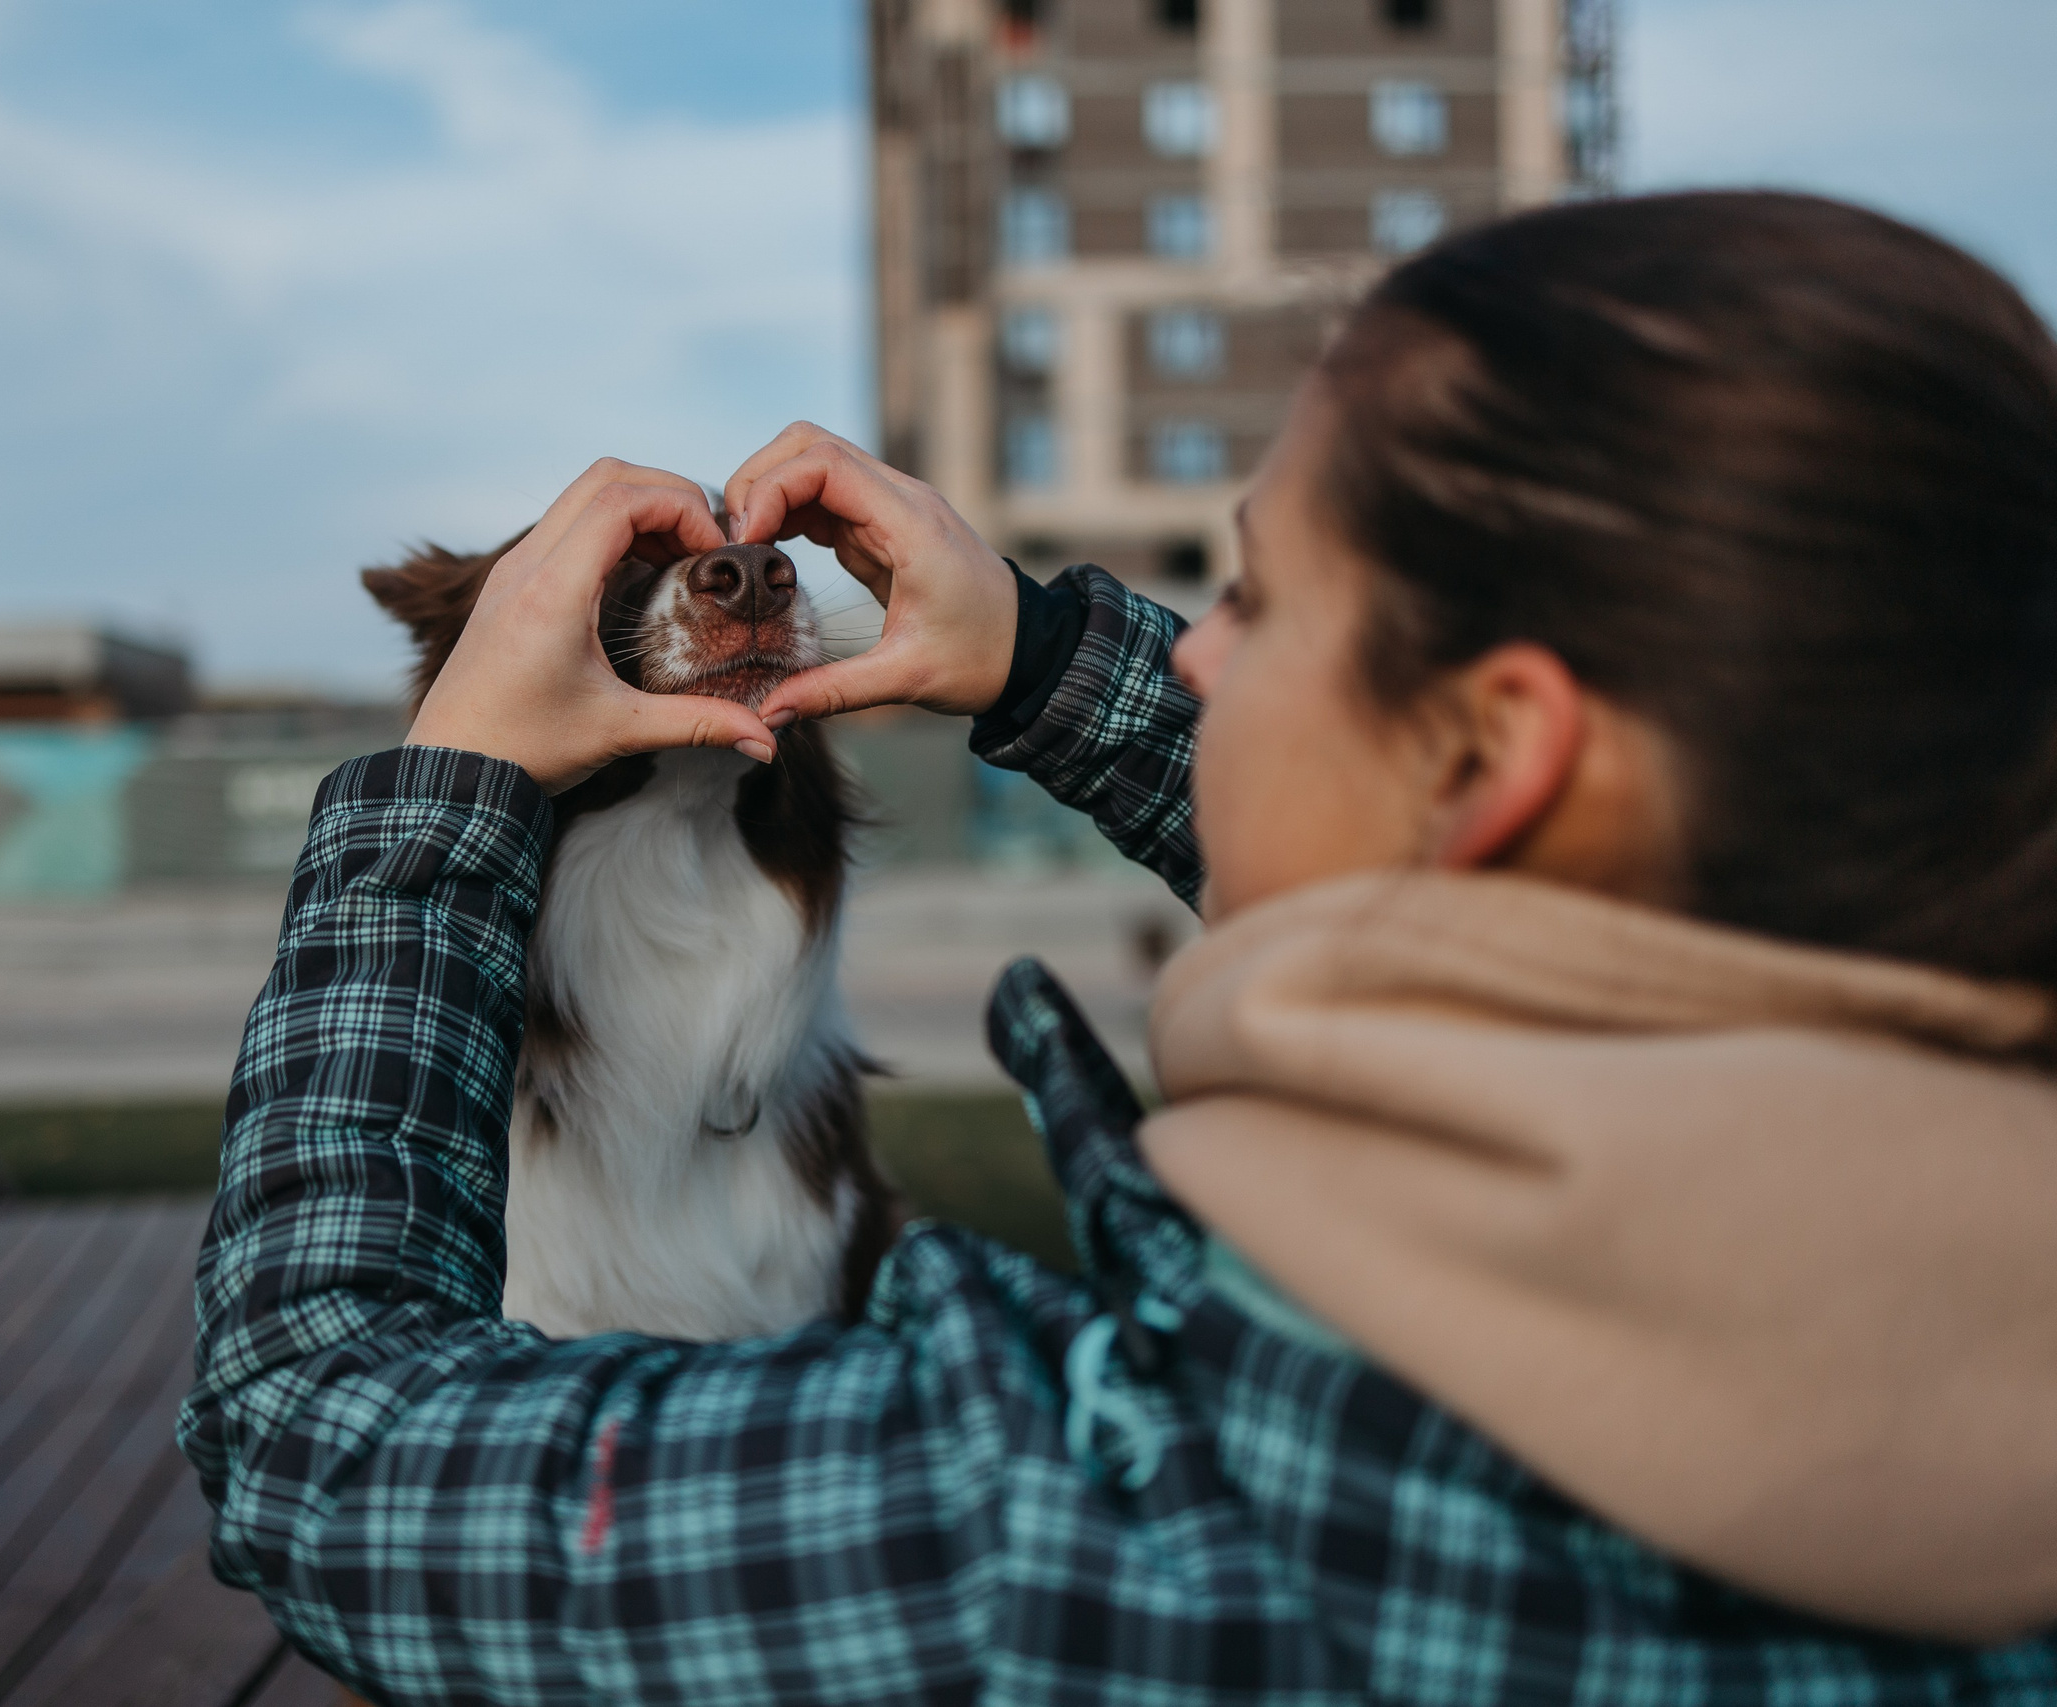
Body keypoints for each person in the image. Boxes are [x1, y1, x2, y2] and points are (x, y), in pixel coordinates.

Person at [178, 192, 2057, 1701]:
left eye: (1257, 592)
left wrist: (447, 810)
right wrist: (1059, 668)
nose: (1209, 655)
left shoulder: (1091, 1523)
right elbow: (1576, 923)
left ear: (1489, 751)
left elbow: (323, 1437)